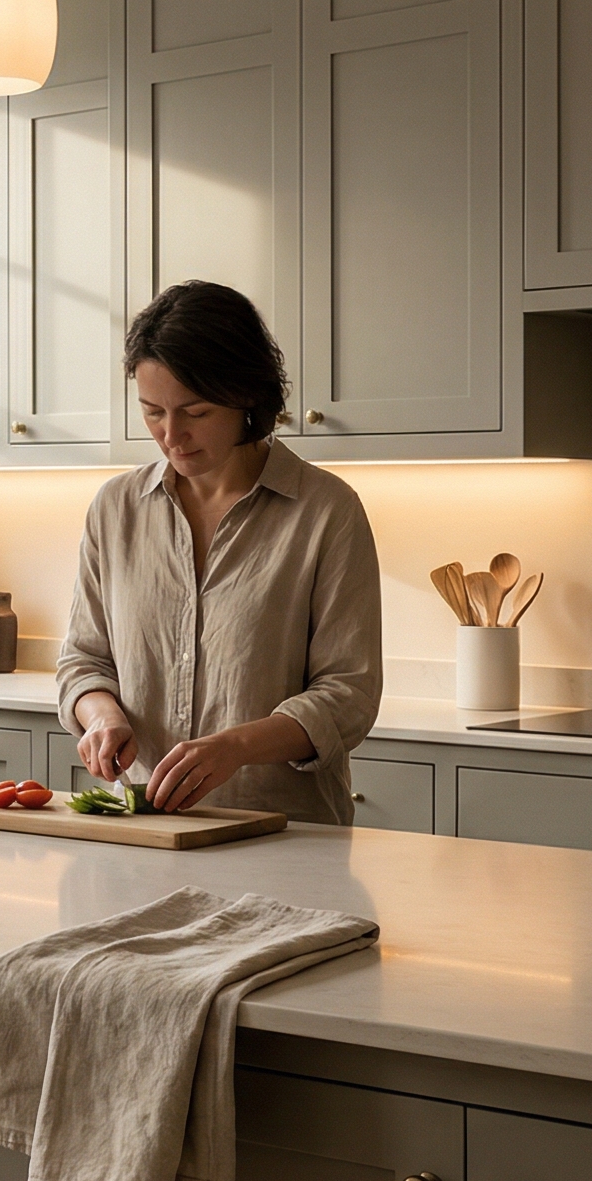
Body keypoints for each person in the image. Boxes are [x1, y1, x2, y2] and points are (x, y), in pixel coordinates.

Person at [56, 281, 382, 824]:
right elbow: (83, 660)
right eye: (153, 411)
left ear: (247, 396)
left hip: (285, 838)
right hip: (148, 833)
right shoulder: (117, 508)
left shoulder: (327, 511)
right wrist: (101, 716)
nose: (171, 435)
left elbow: (348, 693)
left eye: (196, 412)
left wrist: (237, 747)